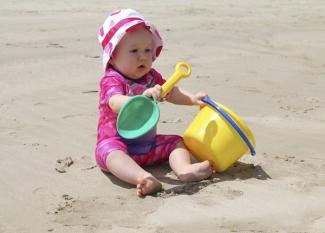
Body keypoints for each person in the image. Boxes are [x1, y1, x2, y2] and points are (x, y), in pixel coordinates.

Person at [96, 8, 213, 197]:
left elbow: (171, 91)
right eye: (133, 51)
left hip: (148, 146)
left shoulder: (151, 77)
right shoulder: (113, 79)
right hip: (118, 143)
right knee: (110, 154)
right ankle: (143, 178)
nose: (142, 56)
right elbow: (114, 102)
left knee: (176, 142)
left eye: (147, 50)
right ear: (113, 56)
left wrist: (192, 99)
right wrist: (141, 99)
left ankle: (184, 170)